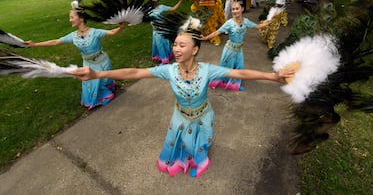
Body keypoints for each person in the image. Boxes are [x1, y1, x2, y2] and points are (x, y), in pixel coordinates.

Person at [69, 25, 295, 178]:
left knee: (199, 144)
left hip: (203, 115)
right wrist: (98, 75)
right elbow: (136, 72)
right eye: (175, 44)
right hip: (180, 116)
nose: (175, 49)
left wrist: (272, 76)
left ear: (195, 49)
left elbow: (240, 75)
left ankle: (198, 158)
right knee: (181, 144)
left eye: (181, 45)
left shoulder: (208, 70)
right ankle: (184, 158)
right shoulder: (168, 70)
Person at [25, 5, 126, 110]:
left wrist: (121, 27)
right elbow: (55, 41)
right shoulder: (73, 36)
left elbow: (112, 32)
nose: (70, 20)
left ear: (81, 18)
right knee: (90, 89)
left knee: (102, 81)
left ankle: (106, 86)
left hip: (102, 62)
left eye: (72, 17)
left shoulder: (94, 32)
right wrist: (35, 44)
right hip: (88, 64)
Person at [200, 0, 273, 91]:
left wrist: (269, 22)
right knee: (227, 68)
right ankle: (222, 82)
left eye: (237, 9)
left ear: (242, 9)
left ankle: (234, 84)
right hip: (230, 50)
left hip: (239, 50)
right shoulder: (229, 23)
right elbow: (217, 32)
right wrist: (205, 38)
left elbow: (258, 26)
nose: (234, 11)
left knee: (239, 67)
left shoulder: (246, 21)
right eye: (233, 9)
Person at [148, 0, 184, 65]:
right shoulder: (147, 9)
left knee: (164, 43)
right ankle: (160, 57)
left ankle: (165, 58)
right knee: (158, 44)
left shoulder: (161, 7)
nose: (154, 0)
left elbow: (173, 9)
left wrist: (180, 0)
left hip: (163, 28)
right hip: (155, 30)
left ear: (157, 0)